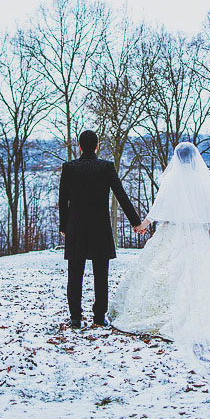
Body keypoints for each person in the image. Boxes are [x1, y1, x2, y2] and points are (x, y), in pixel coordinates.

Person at [109, 142, 210, 353]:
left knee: (160, 269)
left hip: (171, 231)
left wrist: (144, 224)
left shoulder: (172, 178)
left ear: (177, 158)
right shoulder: (201, 180)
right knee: (198, 275)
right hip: (196, 234)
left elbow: (161, 204)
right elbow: (207, 211)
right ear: (194, 158)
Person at [58, 130, 142, 329]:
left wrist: (64, 226)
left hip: (76, 227)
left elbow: (63, 201)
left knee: (75, 273)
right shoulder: (105, 167)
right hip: (99, 227)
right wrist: (135, 222)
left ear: (80, 147)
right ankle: (98, 317)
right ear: (97, 146)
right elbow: (121, 195)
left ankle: (75, 317)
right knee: (101, 274)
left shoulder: (69, 168)